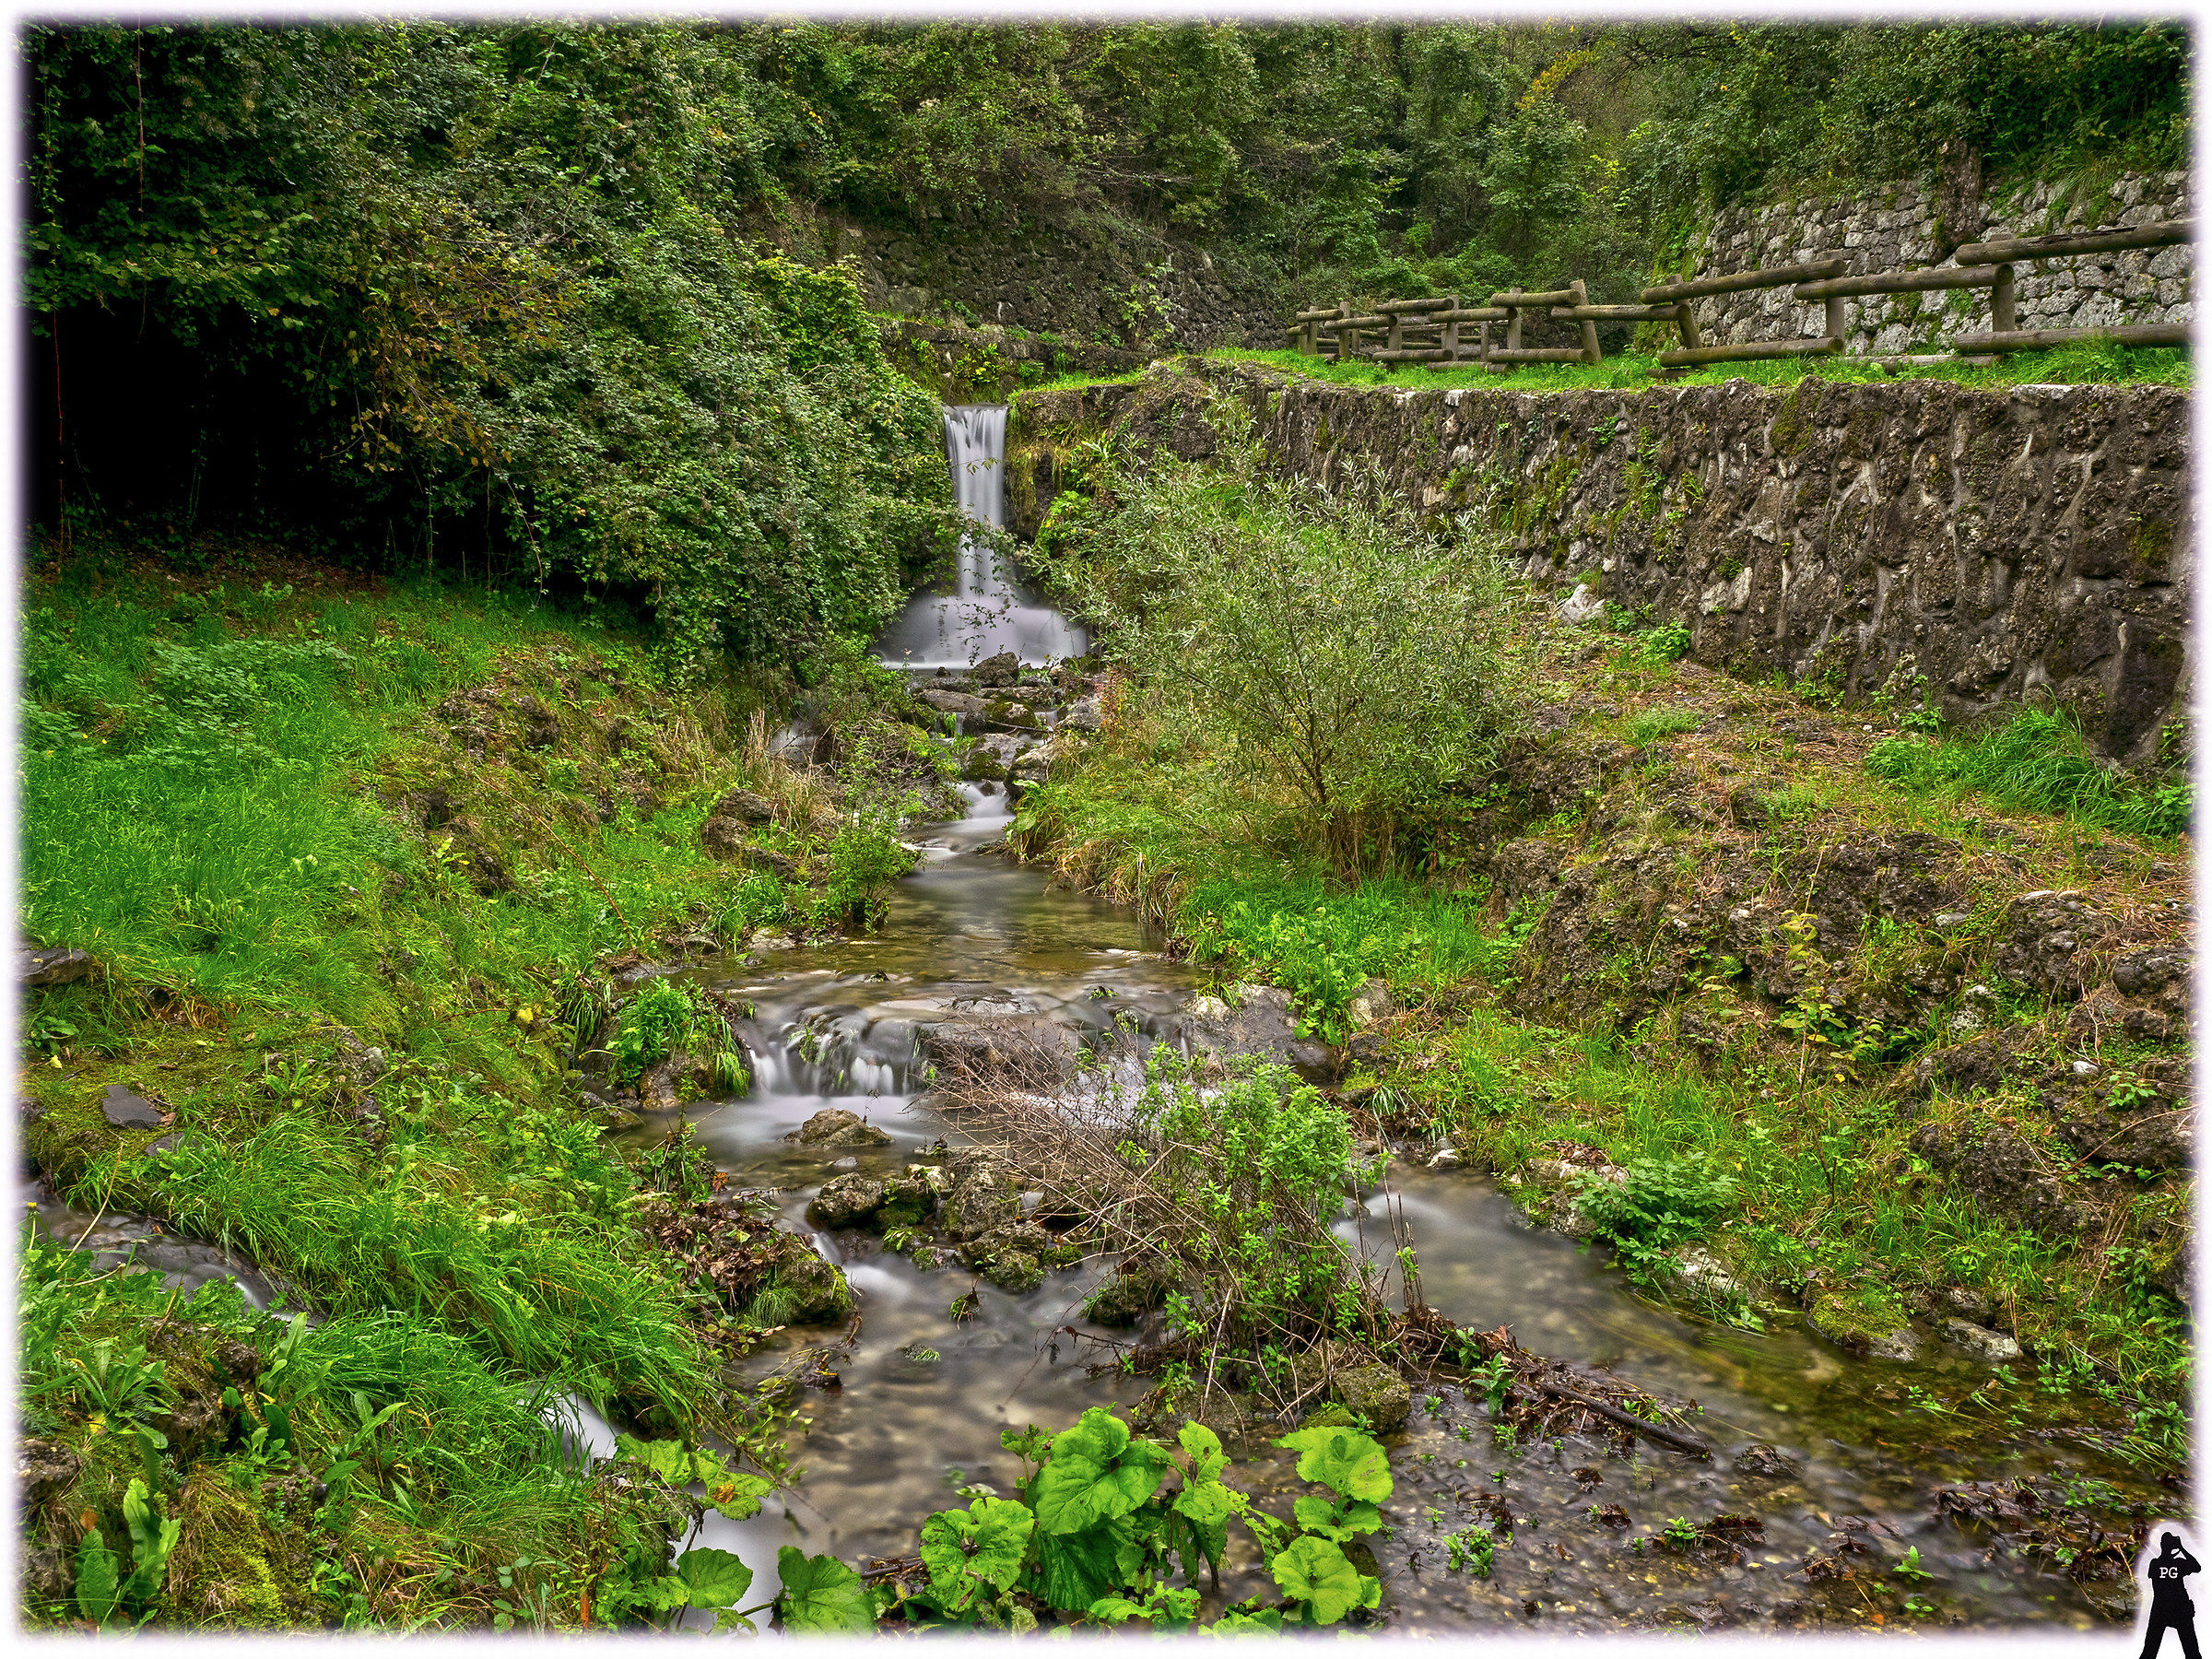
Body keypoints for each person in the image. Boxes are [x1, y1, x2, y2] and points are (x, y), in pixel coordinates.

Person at [2143, 1533, 2202, 1659]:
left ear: (2161, 1545)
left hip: (2160, 1610)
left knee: (2149, 1652)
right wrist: (2182, 1549)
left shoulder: (2154, 1564)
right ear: (2173, 1547)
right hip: (2180, 1609)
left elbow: (2153, 1574)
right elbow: (2197, 1567)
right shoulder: (2179, 1563)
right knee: (2192, 1653)